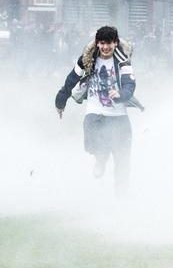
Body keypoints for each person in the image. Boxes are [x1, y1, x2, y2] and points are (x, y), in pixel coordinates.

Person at [55, 26, 136, 195]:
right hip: (95, 112)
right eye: (102, 43)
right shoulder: (87, 58)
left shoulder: (123, 60)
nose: (105, 47)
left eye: (109, 44)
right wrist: (61, 101)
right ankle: (101, 158)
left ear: (115, 43)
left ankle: (122, 198)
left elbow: (130, 84)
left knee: (122, 161)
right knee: (92, 137)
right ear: (98, 43)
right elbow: (72, 79)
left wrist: (120, 94)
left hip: (119, 116)